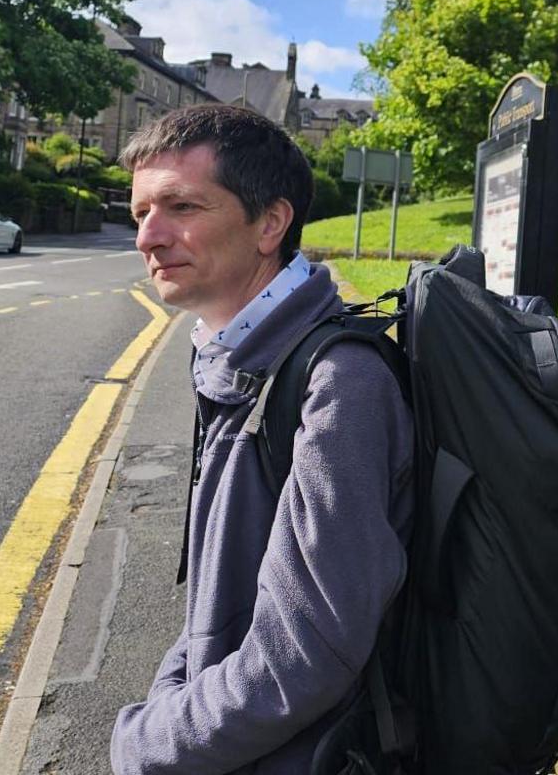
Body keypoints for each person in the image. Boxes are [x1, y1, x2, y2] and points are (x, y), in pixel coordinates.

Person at [110, 104, 413, 775]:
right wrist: (171, 701)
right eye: (140, 214)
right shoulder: (234, 363)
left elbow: (306, 655)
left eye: (181, 207)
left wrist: (150, 744)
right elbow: (214, 613)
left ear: (270, 223)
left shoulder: (339, 383)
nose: (149, 238)